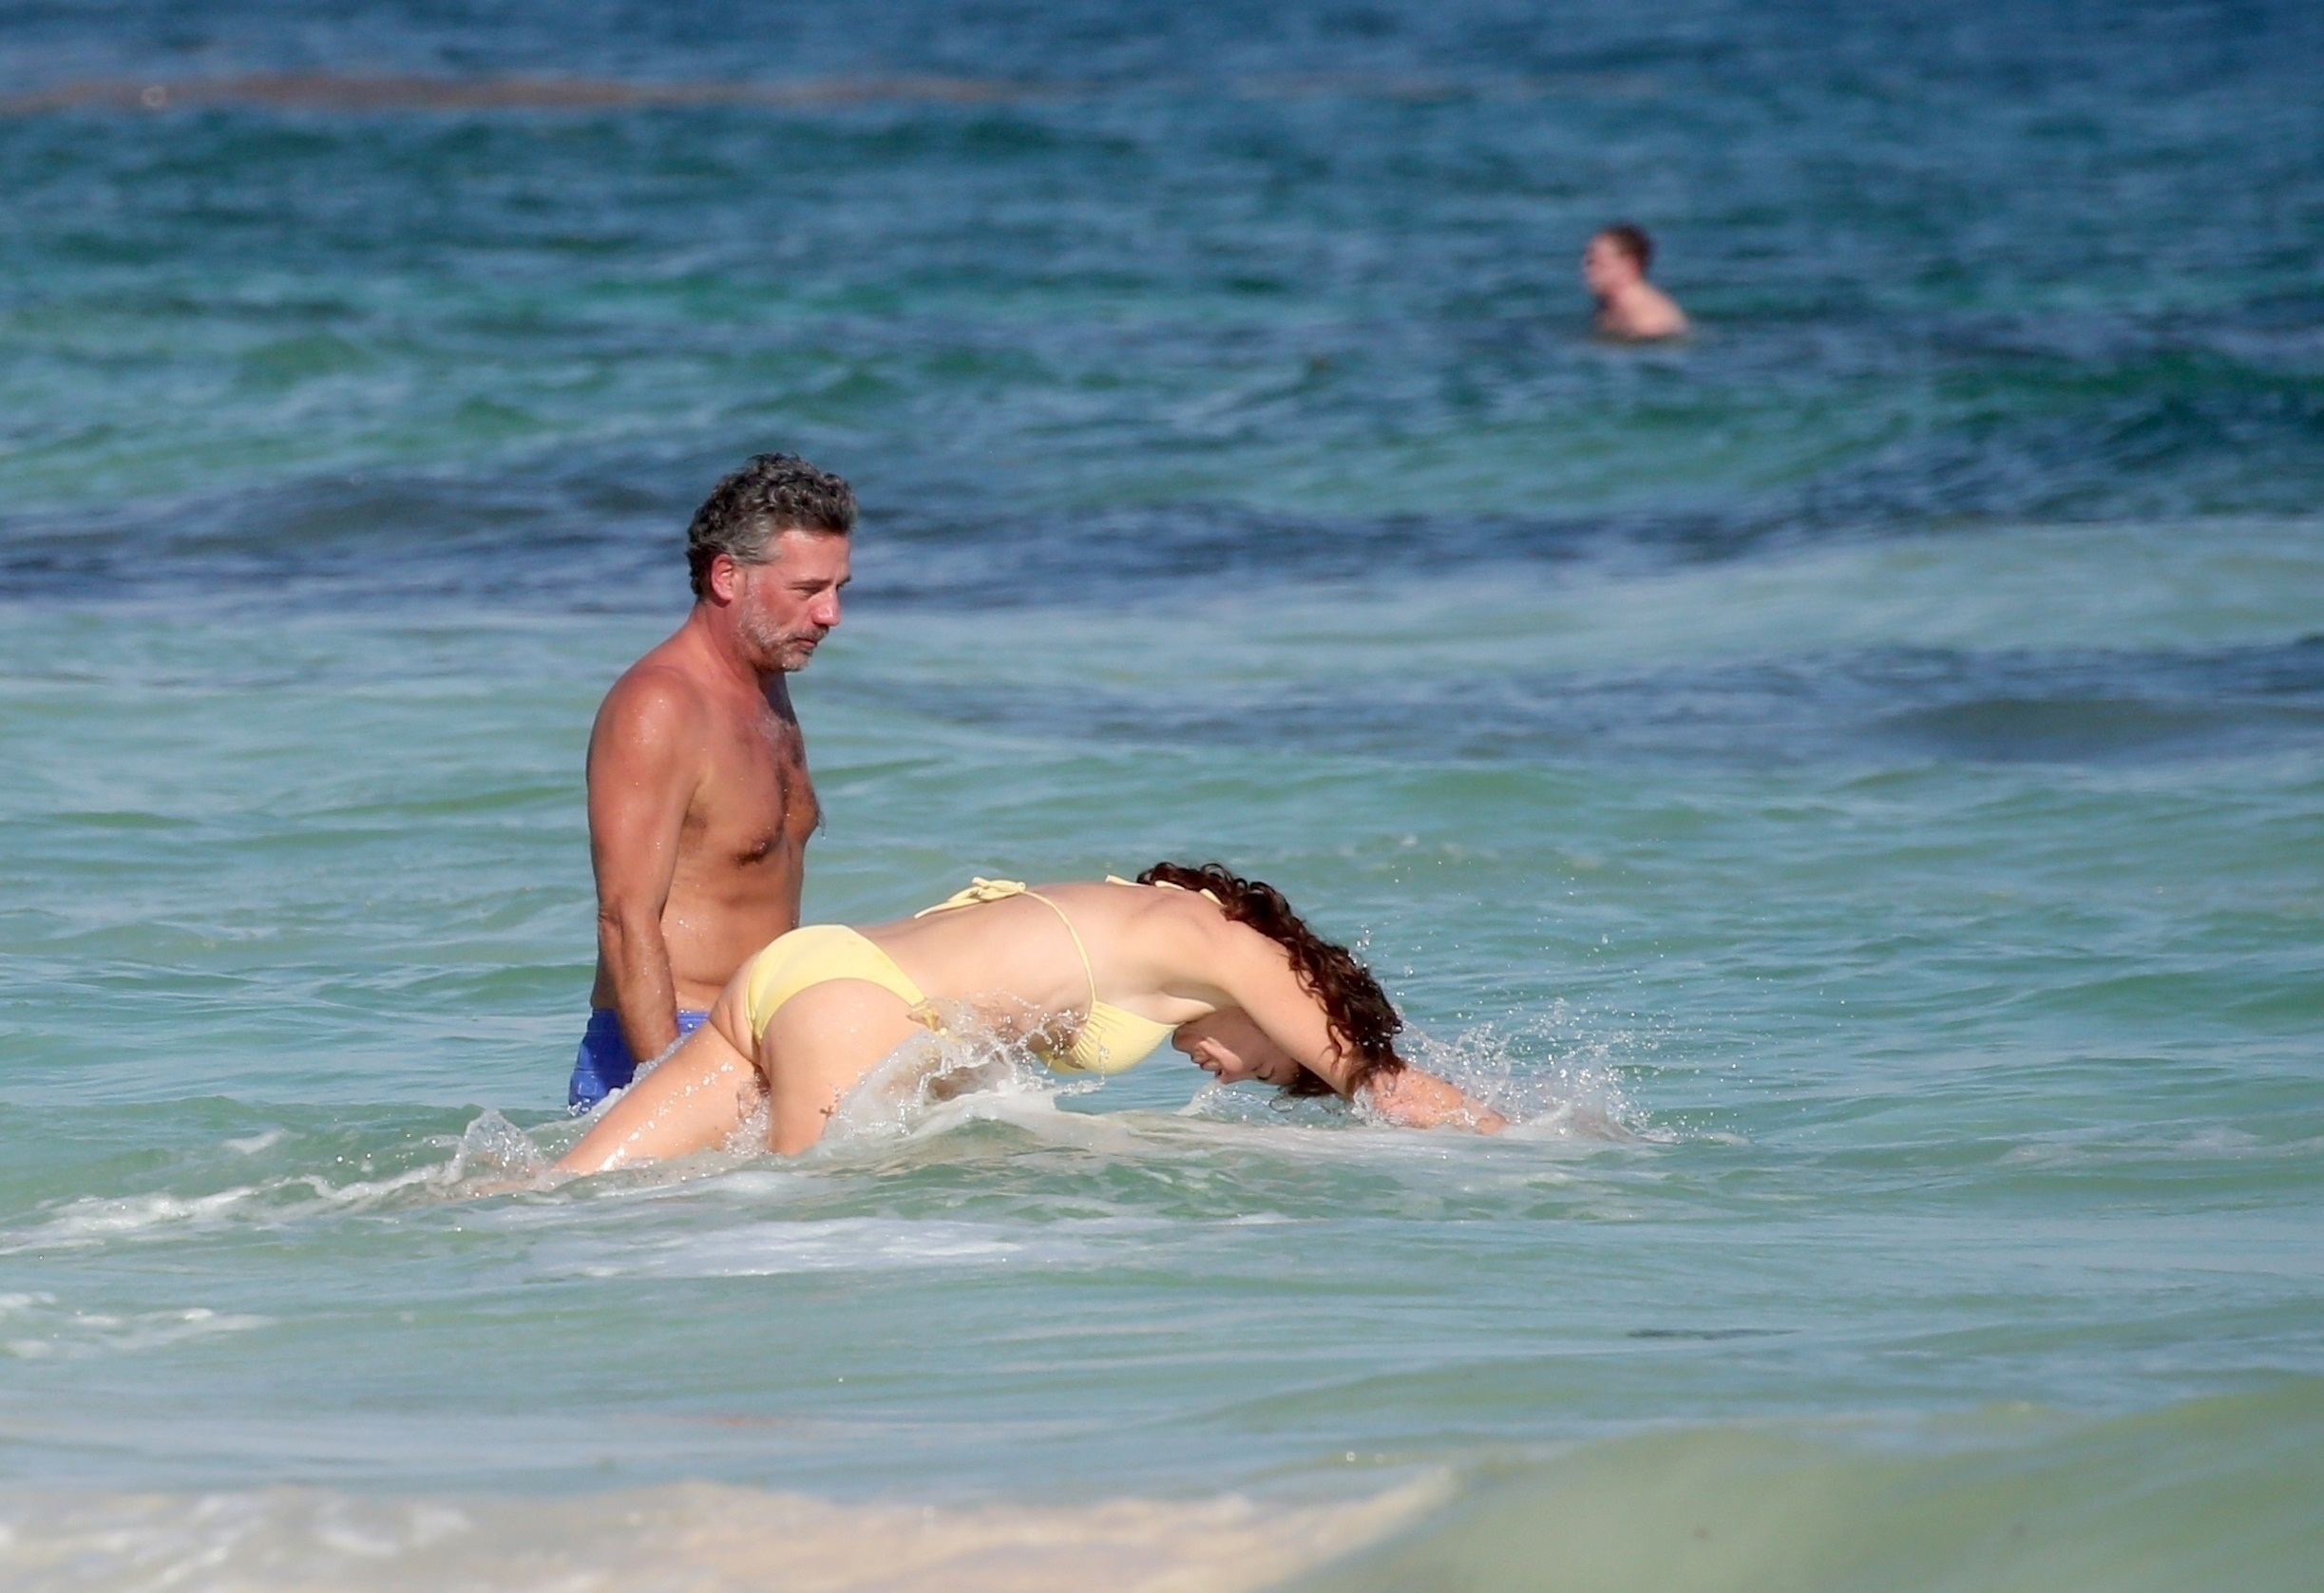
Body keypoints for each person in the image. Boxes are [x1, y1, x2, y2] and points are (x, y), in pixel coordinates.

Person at [557, 863, 1507, 1172]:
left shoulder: (1155, 903)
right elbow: (1390, 1089)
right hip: (850, 1011)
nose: (1228, 1074)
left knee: (561, 1191)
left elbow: (978, 1018)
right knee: (798, 1238)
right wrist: (1544, 1140)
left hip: (799, 971)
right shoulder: (1238, 953)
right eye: (1265, 1068)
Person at [569, 453, 856, 1109]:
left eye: (839, 587)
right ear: (728, 576)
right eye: (808, 589)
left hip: (763, 1039)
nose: (831, 613)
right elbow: (624, 915)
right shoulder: (660, 703)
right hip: (671, 1045)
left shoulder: (764, 685)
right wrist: (674, 1084)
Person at [1583, 223, 1688, 341]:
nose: (1586, 270)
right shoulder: (1608, 303)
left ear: (1628, 266)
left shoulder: (1649, 320)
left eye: (1596, 263)